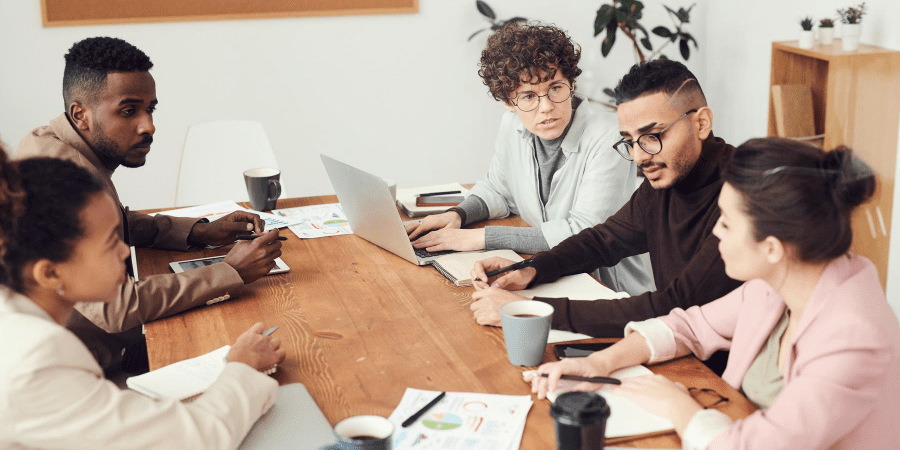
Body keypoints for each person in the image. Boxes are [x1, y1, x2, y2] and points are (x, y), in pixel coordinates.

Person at [529, 138, 900, 449]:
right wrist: (599, 364)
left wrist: (679, 407)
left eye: (725, 222)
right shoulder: (780, 283)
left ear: (771, 247)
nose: (716, 233)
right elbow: (687, 325)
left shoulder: (854, 338)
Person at [14, 36, 283, 372]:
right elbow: (116, 308)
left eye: (150, 109)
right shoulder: (56, 180)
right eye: (129, 111)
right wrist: (230, 272)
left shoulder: (56, 144)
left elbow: (111, 224)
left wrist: (200, 232)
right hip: (100, 367)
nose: (149, 126)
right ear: (80, 114)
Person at [0, 145, 287, 448]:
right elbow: (195, 439)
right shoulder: (39, 359)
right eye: (112, 242)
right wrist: (242, 367)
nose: (125, 252)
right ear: (50, 273)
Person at [469, 59, 743, 339]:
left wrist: (530, 310)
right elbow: (603, 241)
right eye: (630, 140)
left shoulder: (743, 197)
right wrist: (531, 269)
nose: (640, 156)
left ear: (702, 123)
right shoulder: (667, 179)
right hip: (674, 344)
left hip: (720, 371)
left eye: (653, 135)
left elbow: (674, 306)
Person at [405, 22, 653, 295]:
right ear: (508, 103)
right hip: (548, 273)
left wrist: (476, 238)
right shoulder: (513, 125)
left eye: (556, 88)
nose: (546, 107)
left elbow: (584, 234)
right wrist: (458, 214)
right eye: (528, 96)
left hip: (606, 289)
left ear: (572, 83)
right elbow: (498, 190)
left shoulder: (608, 137)